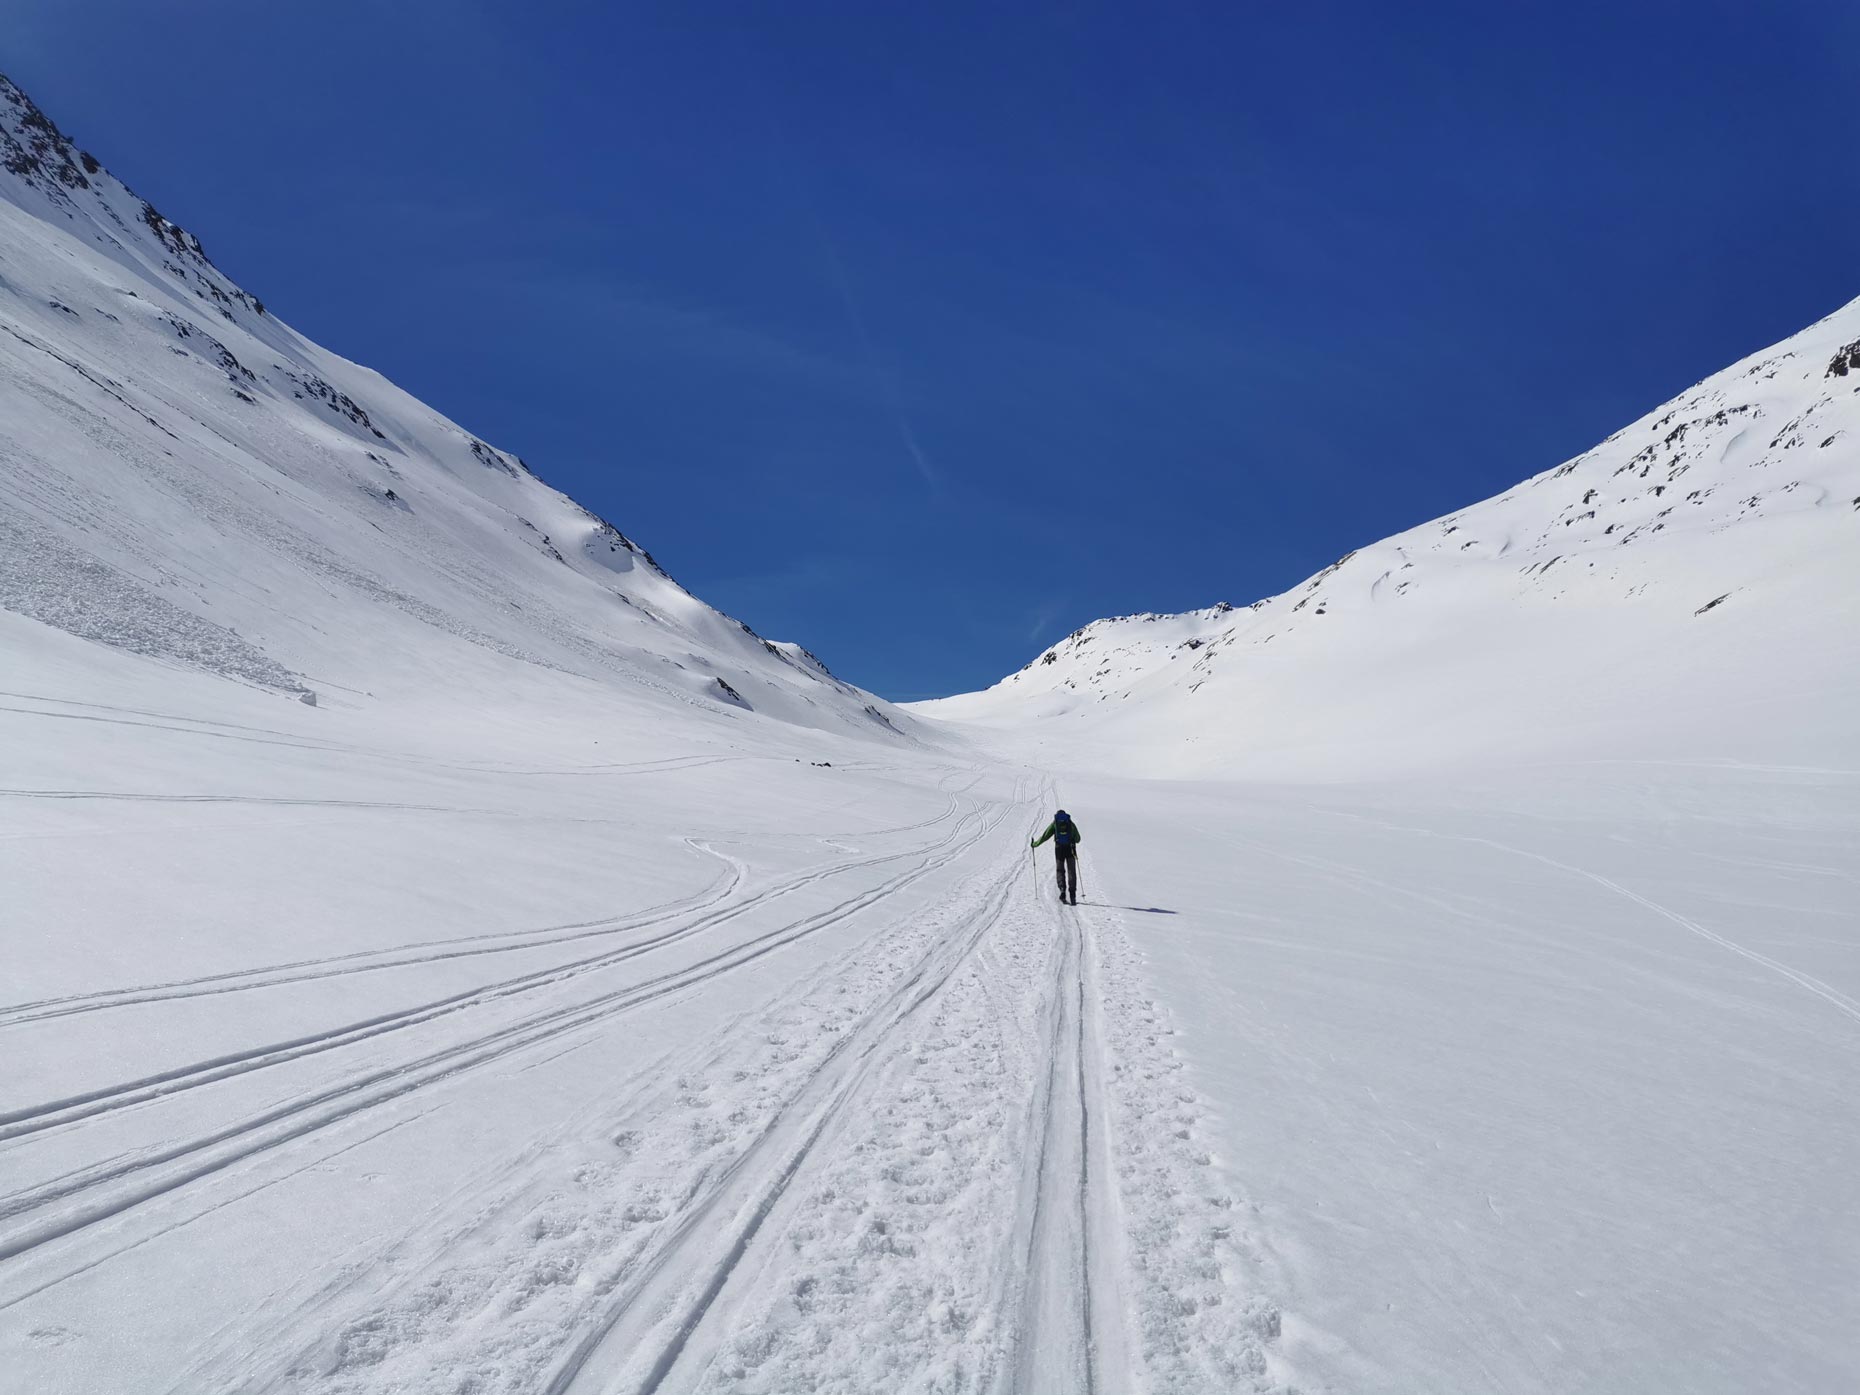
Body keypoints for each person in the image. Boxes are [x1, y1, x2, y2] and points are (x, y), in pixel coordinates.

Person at [1031, 809, 1082, 905]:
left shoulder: (1055, 823)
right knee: (1071, 871)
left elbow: (1045, 836)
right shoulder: (1070, 823)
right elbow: (1078, 839)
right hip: (1070, 850)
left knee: (1060, 870)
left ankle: (1062, 890)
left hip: (1059, 849)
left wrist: (1035, 844)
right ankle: (1072, 895)